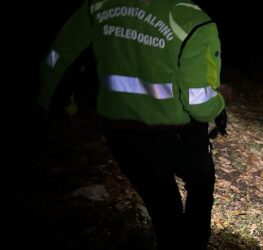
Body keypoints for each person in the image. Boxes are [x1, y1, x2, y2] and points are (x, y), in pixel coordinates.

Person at [38, 0, 226, 249]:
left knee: (162, 207)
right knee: (201, 186)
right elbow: (200, 104)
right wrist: (221, 101)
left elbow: (58, 60)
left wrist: (58, 107)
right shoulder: (192, 20)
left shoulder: (98, 7)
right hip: (178, 133)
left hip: (121, 131)